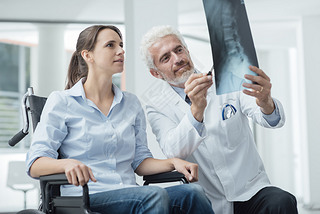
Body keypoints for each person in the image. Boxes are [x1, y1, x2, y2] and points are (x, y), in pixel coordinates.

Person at [25, 25, 214, 214]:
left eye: (121, 45)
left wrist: (173, 162)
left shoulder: (131, 103)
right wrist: (66, 164)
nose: (120, 51)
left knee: (193, 193)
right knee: (154, 195)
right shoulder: (62, 101)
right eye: (110, 45)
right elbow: (35, 164)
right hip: (87, 198)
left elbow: (140, 162)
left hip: (130, 195)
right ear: (87, 55)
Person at [140, 25, 298, 214]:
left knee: (281, 201)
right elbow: (173, 150)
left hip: (250, 190)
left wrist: (265, 101)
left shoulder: (227, 79)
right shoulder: (157, 106)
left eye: (179, 49)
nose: (177, 59)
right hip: (207, 202)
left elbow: (268, 119)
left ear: (187, 51)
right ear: (156, 73)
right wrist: (196, 110)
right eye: (166, 58)